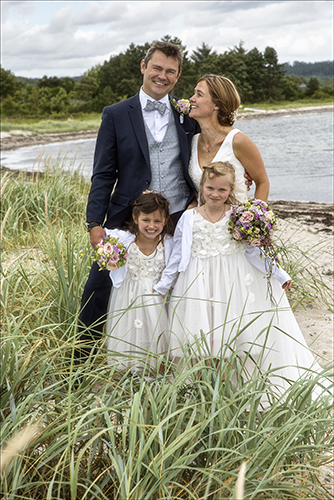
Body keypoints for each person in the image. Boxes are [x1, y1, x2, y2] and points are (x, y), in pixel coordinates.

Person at [75, 40, 200, 363]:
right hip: (124, 217)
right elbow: (103, 173)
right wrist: (94, 223)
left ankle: (173, 363)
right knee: (98, 287)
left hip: (175, 217)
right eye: (157, 68)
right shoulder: (116, 114)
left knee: (177, 287)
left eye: (170, 71)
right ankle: (79, 365)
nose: (162, 76)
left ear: (178, 75)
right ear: (143, 67)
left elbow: (208, 156)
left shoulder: (187, 117)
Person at [154, 162, 326, 393]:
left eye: (222, 190)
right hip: (198, 285)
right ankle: (204, 388)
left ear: (231, 191)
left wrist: (279, 274)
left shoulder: (238, 216)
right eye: (210, 188)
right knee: (201, 336)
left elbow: (254, 251)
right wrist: (164, 285)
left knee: (232, 336)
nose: (215, 194)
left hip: (233, 283)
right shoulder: (189, 217)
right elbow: (177, 257)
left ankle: (229, 387)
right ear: (201, 187)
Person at [105, 191, 174, 372]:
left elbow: (176, 268)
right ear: (135, 218)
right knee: (129, 334)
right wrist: (107, 259)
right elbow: (102, 245)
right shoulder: (124, 240)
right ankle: (129, 373)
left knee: (156, 334)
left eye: (157, 221)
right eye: (146, 220)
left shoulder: (168, 243)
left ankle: (156, 373)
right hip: (128, 296)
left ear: (166, 220)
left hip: (157, 297)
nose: (152, 225)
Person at [188, 74, 269, 204]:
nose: (191, 99)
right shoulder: (193, 142)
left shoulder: (237, 141)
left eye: (199, 94)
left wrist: (254, 219)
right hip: (201, 222)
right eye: (194, 93)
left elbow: (262, 182)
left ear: (216, 105)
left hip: (235, 221)